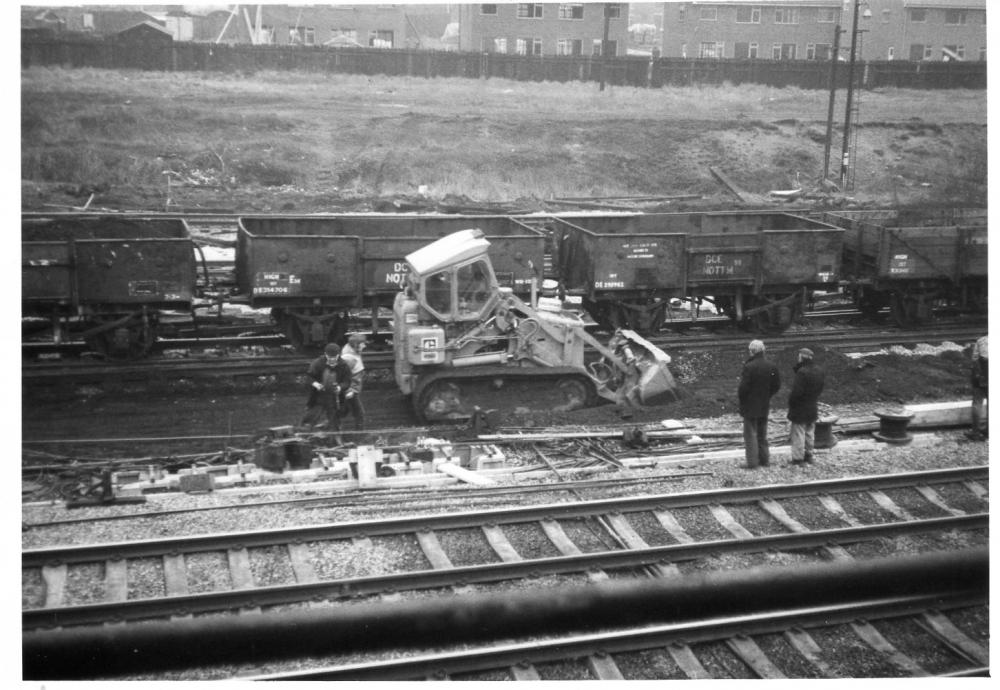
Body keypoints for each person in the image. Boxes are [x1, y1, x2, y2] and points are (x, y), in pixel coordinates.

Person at [737, 339, 781, 469]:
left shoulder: (749, 367)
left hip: (750, 405)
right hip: (764, 403)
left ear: (752, 351)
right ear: (763, 350)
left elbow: (743, 388)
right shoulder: (771, 366)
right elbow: (777, 385)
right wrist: (767, 395)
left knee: (750, 434)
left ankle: (752, 462)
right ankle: (764, 459)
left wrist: (743, 400)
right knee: (762, 434)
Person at [301, 343, 354, 433]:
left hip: (335, 398)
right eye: (330, 358)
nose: (332, 360)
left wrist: (339, 388)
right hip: (319, 397)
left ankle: (333, 436)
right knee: (310, 419)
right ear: (325, 355)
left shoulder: (344, 365)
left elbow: (347, 382)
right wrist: (316, 384)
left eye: (334, 358)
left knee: (334, 423)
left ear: (338, 355)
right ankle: (305, 432)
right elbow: (309, 377)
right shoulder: (318, 363)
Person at [786, 348, 826, 465]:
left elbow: (796, 393)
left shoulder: (802, 372)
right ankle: (809, 455)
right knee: (809, 432)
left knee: (798, 432)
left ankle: (798, 458)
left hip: (800, 408)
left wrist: (791, 404)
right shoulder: (819, 370)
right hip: (812, 405)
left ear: (801, 357)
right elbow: (821, 388)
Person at [339, 333, 367, 431]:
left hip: (351, 389)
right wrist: (349, 390)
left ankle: (327, 428)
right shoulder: (349, 358)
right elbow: (343, 376)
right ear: (356, 344)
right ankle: (360, 435)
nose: (365, 345)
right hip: (351, 390)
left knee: (343, 411)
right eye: (362, 343)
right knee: (359, 413)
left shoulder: (352, 352)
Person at [968, 335, 988, 441]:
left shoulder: (981, 340)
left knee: (977, 402)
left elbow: (974, 359)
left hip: (982, 376)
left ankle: (975, 432)